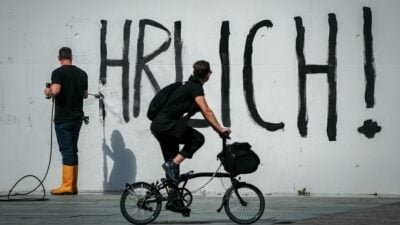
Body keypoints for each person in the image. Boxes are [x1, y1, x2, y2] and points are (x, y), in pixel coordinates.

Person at [150, 60, 231, 212]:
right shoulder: (195, 87)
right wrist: (221, 129)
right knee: (197, 139)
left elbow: (205, 114)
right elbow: (206, 111)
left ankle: (174, 201)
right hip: (165, 125)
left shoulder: (189, 85)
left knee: (173, 165)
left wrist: (218, 130)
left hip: (160, 126)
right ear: (208, 74)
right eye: (210, 72)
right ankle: (172, 165)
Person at [44, 47, 88, 195]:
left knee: (66, 150)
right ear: (71, 57)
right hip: (77, 118)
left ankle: (67, 185)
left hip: (63, 118)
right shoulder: (82, 74)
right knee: (73, 149)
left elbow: (55, 90)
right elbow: (85, 95)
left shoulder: (58, 72)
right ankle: (73, 186)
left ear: (59, 57)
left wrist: (48, 91)